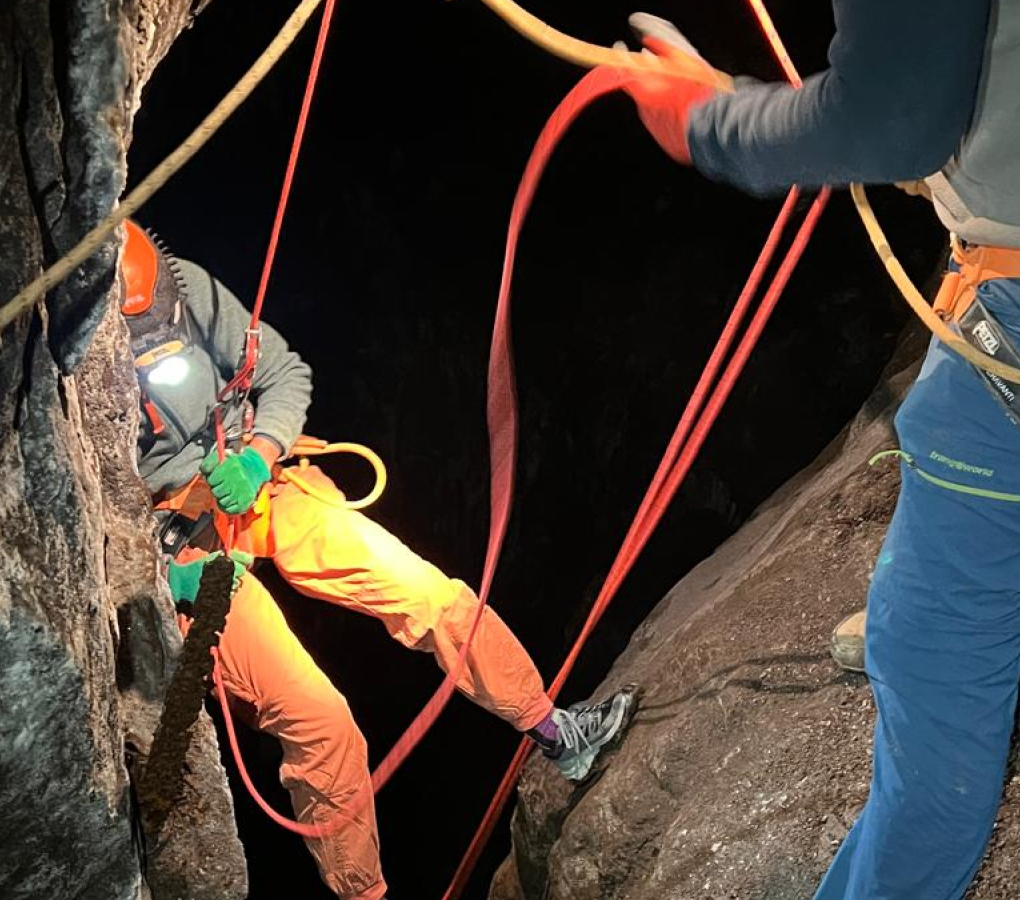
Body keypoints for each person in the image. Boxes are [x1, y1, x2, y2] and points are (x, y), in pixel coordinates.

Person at [606, 4, 1020, 898]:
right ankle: (934, 593)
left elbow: (891, 119)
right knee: (940, 514)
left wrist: (707, 121)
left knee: (934, 647)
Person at [117, 220, 636, 900]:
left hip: (252, 482)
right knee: (320, 723)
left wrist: (259, 453)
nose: (158, 340)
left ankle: (556, 731)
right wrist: (167, 578)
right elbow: (91, 529)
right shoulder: (78, 366)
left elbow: (282, 372)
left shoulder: (181, 289)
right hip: (182, 548)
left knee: (427, 593)